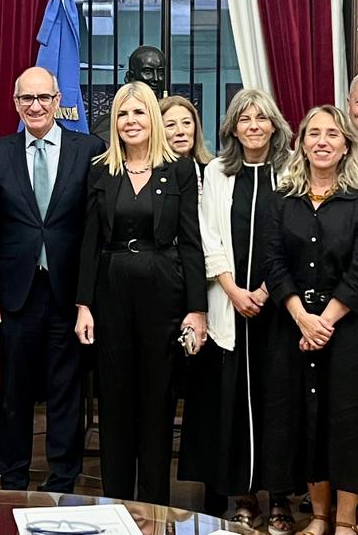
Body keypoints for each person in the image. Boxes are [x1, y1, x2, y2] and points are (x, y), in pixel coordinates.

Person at [261, 105, 358, 535]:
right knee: (306, 421)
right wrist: (303, 318)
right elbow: (272, 263)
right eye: (313, 133)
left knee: (350, 423)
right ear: (300, 143)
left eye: (332, 134)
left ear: (346, 146)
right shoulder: (280, 201)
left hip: (352, 329)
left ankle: (345, 521)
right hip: (294, 326)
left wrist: (325, 321)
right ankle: (318, 516)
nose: (322, 141)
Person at [74, 81, 206, 505]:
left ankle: (153, 507)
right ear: (114, 122)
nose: (131, 122)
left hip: (163, 291)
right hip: (110, 292)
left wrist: (196, 310)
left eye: (139, 113)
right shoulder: (100, 169)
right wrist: (83, 305)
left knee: (157, 401)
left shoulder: (180, 170)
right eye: (123, 115)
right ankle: (115, 505)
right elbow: (89, 241)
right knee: (114, 401)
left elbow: (190, 241)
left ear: (153, 119)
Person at [0, 67, 105, 492]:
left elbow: (95, 229)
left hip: (69, 294)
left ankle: (62, 481)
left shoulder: (89, 150)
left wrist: (89, 296)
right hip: (16, 294)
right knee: (14, 393)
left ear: (58, 101)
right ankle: (12, 478)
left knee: (65, 391)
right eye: (26, 99)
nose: (35, 106)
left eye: (43, 98)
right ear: (16, 104)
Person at [180, 89, 293, 532]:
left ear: (273, 125)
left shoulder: (290, 172)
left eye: (260, 119)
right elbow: (207, 237)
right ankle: (244, 497)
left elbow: (294, 238)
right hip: (230, 306)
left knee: (277, 401)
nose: (252, 126)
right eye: (244, 119)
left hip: (279, 307)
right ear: (232, 127)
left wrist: (265, 291)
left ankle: (281, 497)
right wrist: (233, 291)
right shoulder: (218, 172)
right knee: (236, 402)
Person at [91, 45, 168, 141]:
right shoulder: (106, 125)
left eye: (160, 72)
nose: (156, 79)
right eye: (148, 72)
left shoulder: (170, 118)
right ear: (131, 76)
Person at [161, 94, 214, 167]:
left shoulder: (213, 169)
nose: (180, 132)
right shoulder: (148, 172)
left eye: (186, 123)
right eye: (171, 125)